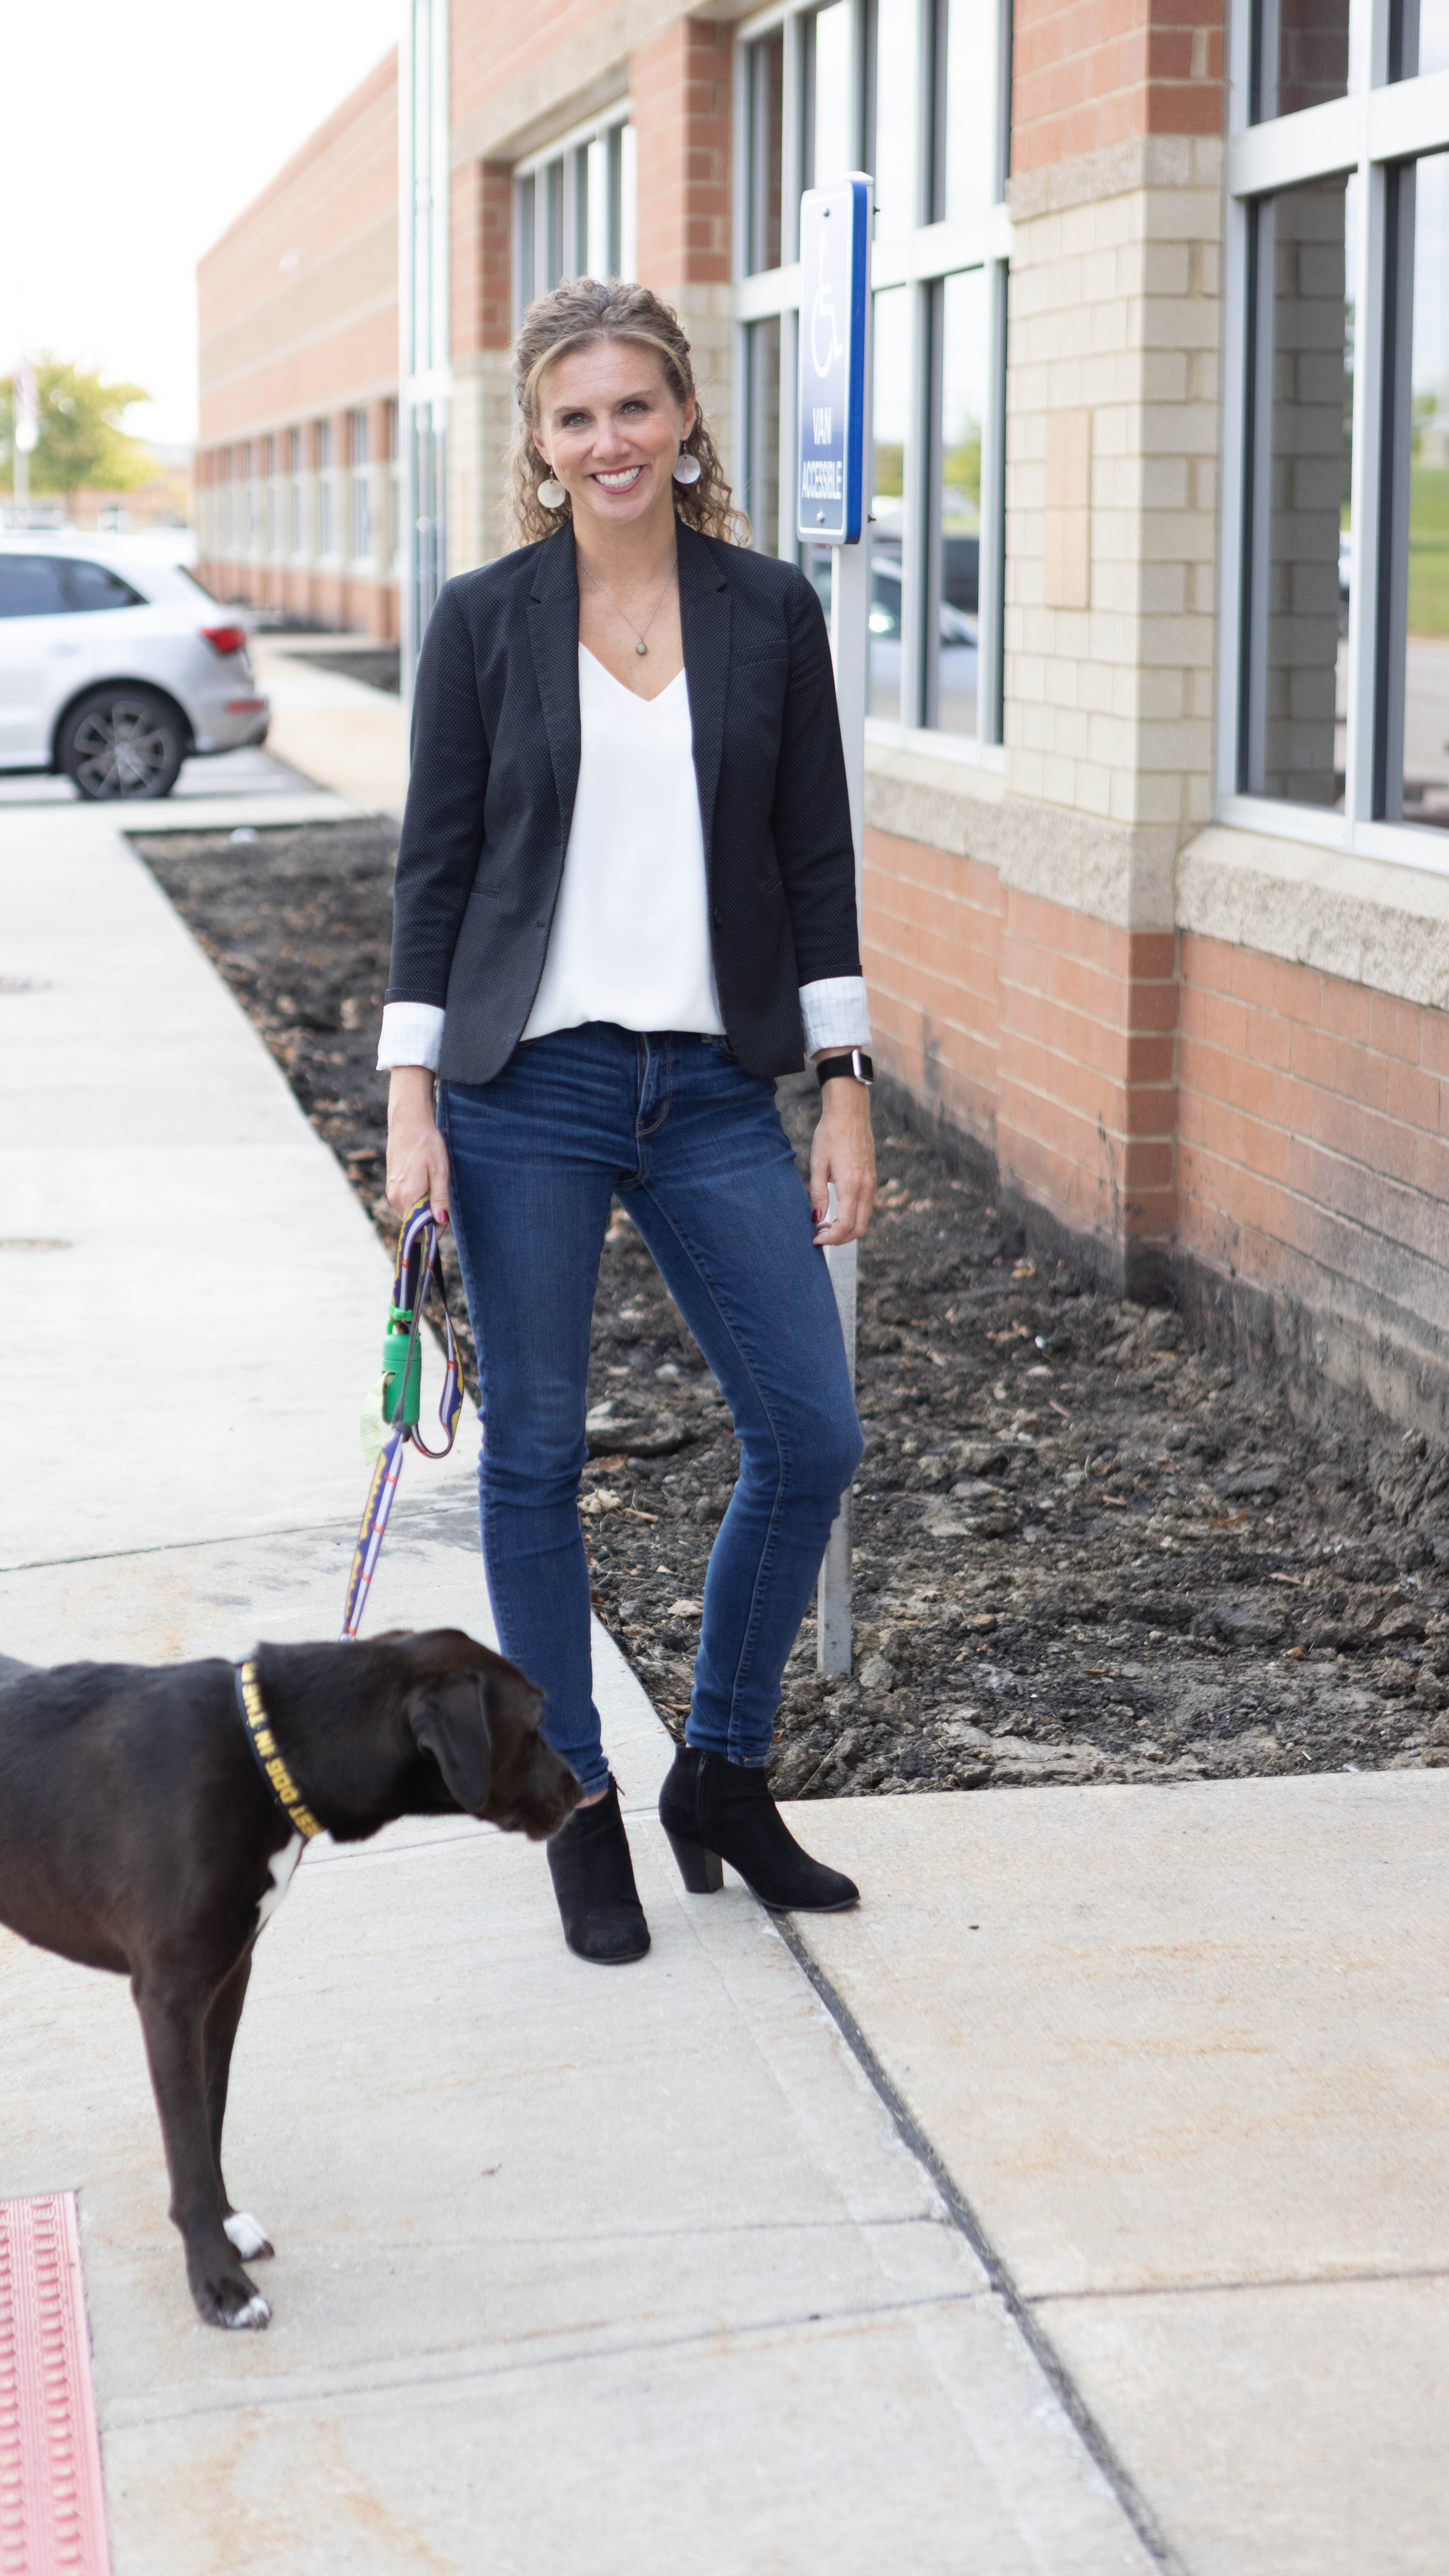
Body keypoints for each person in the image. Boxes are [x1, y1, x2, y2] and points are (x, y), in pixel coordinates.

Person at [380, 278, 876, 1965]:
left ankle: (720, 1773)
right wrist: (412, 1101)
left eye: (636, 407)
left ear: (683, 422)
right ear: (538, 441)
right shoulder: (484, 618)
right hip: (532, 1088)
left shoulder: (768, 612)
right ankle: (578, 1797)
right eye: (576, 415)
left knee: (812, 1434)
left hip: (715, 1086)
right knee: (533, 1457)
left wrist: (846, 1088)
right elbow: (435, 870)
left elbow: (817, 861)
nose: (610, 440)